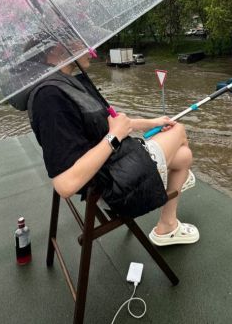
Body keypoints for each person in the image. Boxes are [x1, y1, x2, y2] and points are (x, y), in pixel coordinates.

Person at [28, 45, 199, 246]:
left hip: (115, 164)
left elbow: (112, 123)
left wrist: (153, 122)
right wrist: (113, 137)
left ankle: (167, 225)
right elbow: (64, 185)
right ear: (56, 50)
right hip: (113, 183)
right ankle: (177, 195)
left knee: (184, 157)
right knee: (178, 130)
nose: (91, 48)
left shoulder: (65, 86)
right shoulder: (50, 98)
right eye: (81, 42)